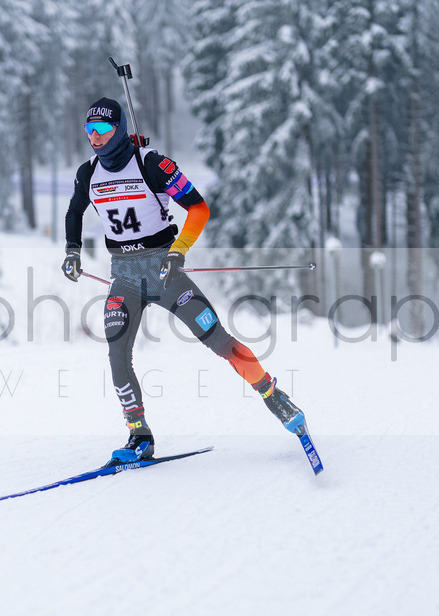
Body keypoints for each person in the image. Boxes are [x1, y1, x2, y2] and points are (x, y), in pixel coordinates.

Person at [62, 97, 305, 466]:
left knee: (218, 340)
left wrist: (179, 250)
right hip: (124, 277)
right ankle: (139, 435)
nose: (94, 137)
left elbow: (198, 206)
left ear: (119, 129)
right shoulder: (87, 172)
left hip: (164, 271)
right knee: (116, 355)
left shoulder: (153, 164)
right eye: (89, 130)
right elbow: (74, 211)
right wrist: (72, 250)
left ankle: (274, 395)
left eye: (102, 129)